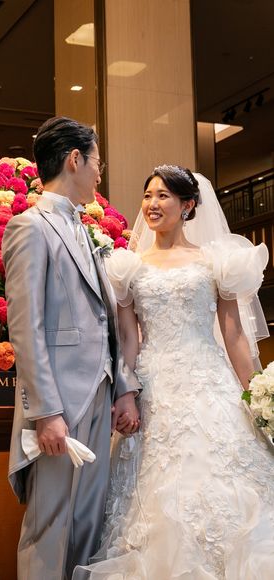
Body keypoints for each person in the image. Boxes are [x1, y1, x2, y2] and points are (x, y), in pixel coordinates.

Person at [78, 165, 274, 579]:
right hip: (154, 387)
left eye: (163, 196)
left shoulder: (215, 263)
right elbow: (128, 339)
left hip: (209, 383)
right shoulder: (128, 267)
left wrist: (257, 395)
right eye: (148, 195)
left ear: (188, 206)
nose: (152, 204)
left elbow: (234, 335)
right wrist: (126, 393)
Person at [3, 116, 141, 580]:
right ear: (74, 159)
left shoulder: (85, 229)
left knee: (88, 523)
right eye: (97, 162)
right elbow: (26, 327)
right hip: (60, 401)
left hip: (99, 392)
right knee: (50, 525)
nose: (100, 173)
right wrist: (46, 412)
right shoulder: (29, 227)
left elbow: (106, 321)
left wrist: (121, 387)